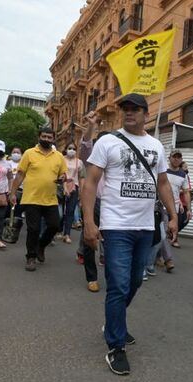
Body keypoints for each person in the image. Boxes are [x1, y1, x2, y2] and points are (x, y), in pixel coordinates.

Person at [82, 93, 178, 375]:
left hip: (145, 226)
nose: (129, 113)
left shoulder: (156, 146)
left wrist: (173, 216)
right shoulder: (108, 141)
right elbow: (90, 184)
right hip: (115, 226)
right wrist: (89, 222)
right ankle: (115, 345)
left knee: (135, 281)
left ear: (146, 113)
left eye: (135, 109)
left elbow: (163, 183)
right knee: (119, 285)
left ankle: (113, 323)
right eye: (126, 109)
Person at [9, 127, 68, 271]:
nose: (46, 139)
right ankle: (30, 257)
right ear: (39, 137)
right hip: (31, 198)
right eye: (44, 136)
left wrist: (62, 178)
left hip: (50, 199)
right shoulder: (29, 153)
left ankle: (41, 246)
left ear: (53, 139)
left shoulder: (59, 156)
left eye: (49, 137)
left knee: (54, 226)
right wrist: (12, 193)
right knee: (33, 229)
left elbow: (64, 174)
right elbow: (20, 175)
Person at [77, 111, 108, 292]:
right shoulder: (91, 156)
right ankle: (92, 277)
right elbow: (86, 143)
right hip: (94, 202)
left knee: (112, 241)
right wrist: (91, 125)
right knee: (90, 238)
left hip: (113, 206)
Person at [60, 142, 85, 244]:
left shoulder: (79, 162)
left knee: (70, 211)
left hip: (74, 187)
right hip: (60, 188)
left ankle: (67, 234)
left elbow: (82, 177)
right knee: (60, 213)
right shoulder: (60, 160)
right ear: (65, 149)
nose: (72, 150)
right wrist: (64, 186)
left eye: (74, 149)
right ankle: (58, 230)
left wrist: (81, 191)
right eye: (69, 148)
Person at [166, 149, 191, 248]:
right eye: (174, 157)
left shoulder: (183, 175)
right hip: (161, 206)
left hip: (174, 208)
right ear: (169, 158)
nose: (176, 159)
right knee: (161, 233)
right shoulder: (163, 170)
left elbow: (186, 192)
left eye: (178, 157)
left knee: (171, 231)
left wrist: (189, 209)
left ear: (181, 159)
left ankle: (163, 256)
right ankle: (165, 258)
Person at [8, 147, 24, 230]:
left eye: (18, 152)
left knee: (18, 209)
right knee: (8, 210)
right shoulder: (7, 163)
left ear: (21, 154)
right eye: (14, 152)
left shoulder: (24, 164)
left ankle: (16, 227)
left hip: (21, 189)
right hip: (9, 190)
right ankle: (8, 225)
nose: (16, 154)